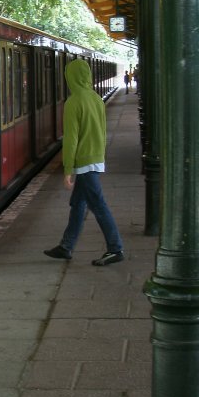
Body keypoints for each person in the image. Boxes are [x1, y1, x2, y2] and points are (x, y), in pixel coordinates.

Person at [44, 58, 124, 267]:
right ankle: (66, 246)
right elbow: (102, 130)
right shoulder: (96, 98)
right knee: (78, 204)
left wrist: (68, 169)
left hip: (84, 162)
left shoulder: (74, 102)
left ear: (69, 77)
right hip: (96, 158)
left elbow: (71, 139)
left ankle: (115, 249)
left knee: (98, 205)